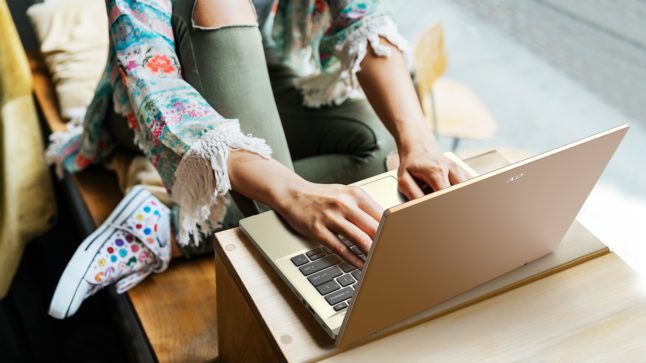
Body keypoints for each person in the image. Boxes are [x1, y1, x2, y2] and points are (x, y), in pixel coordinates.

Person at [47, 0, 467, 318]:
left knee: (381, 149)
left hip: (255, 63)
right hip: (153, 113)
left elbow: (361, 18)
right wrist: (293, 193)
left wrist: (420, 145)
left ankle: (165, 227)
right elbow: (151, 86)